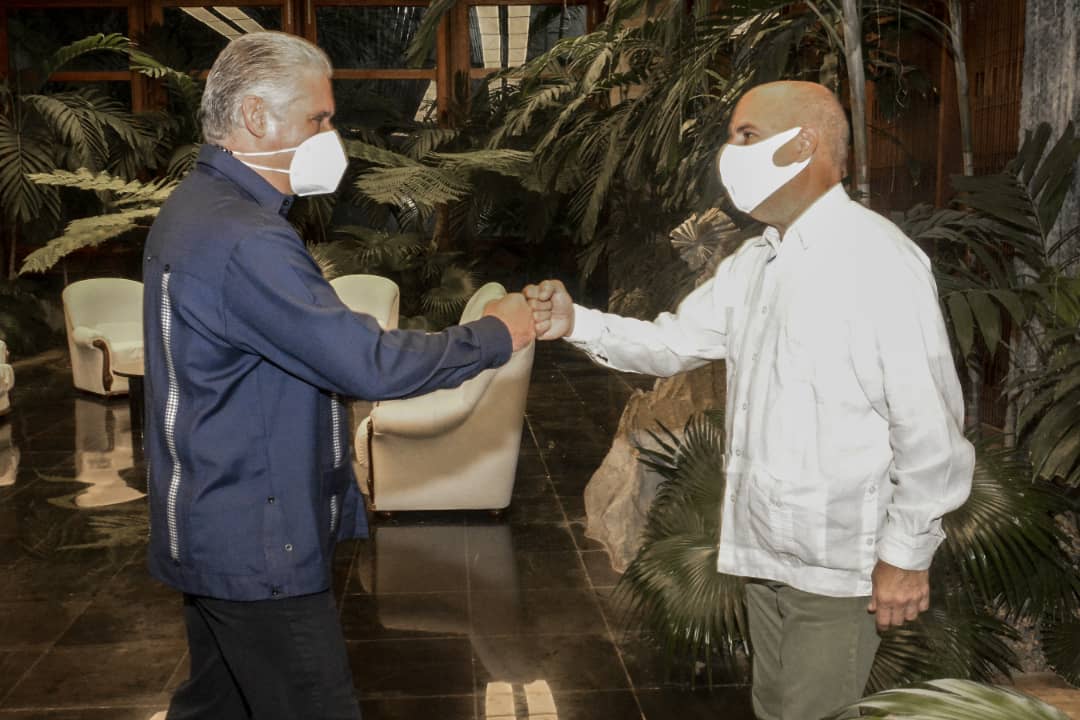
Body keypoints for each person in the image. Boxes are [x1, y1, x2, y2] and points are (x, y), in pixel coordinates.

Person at [525, 81, 975, 720]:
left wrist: (906, 555)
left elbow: (930, 428)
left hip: (836, 565)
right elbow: (673, 343)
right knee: (772, 706)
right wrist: (577, 323)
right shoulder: (755, 262)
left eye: (746, 136)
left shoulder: (876, 260)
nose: (729, 153)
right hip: (764, 549)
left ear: (805, 143)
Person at [142, 32, 533, 720]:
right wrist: (495, 335)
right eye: (318, 119)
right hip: (257, 542)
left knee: (218, 706)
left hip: (218, 522)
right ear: (256, 116)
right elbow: (365, 363)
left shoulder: (198, 207)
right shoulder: (245, 238)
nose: (331, 137)